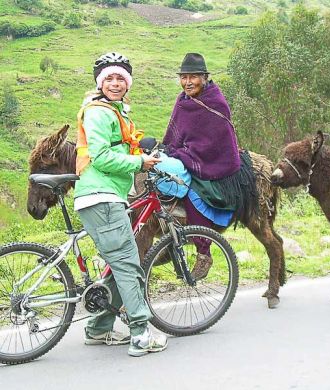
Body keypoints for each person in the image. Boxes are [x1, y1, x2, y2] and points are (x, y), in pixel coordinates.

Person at [74, 52, 167, 357]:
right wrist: (140, 162)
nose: (115, 83)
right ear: (100, 83)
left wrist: (145, 155)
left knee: (118, 264)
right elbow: (100, 157)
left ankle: (99, 329)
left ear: (128, 84)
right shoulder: (99, 112)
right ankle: (141, 334)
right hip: (100, 195)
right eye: (109, 78)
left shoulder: (116, 112)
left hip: (107, 194)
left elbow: (122, 146)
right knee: (128, 265)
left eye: (120, 78)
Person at [163, 53, 254, 280]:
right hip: (189, 156)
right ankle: (169, 246)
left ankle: (203, 252)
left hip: (215, 163)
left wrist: (184, 154)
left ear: (204, 78)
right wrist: (171, 151)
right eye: (184, 77)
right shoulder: (183, 101)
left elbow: (214, 144)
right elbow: (175, 135)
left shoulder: (216, 103)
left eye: (193, 76)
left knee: (192, 194)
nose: (188, 82)